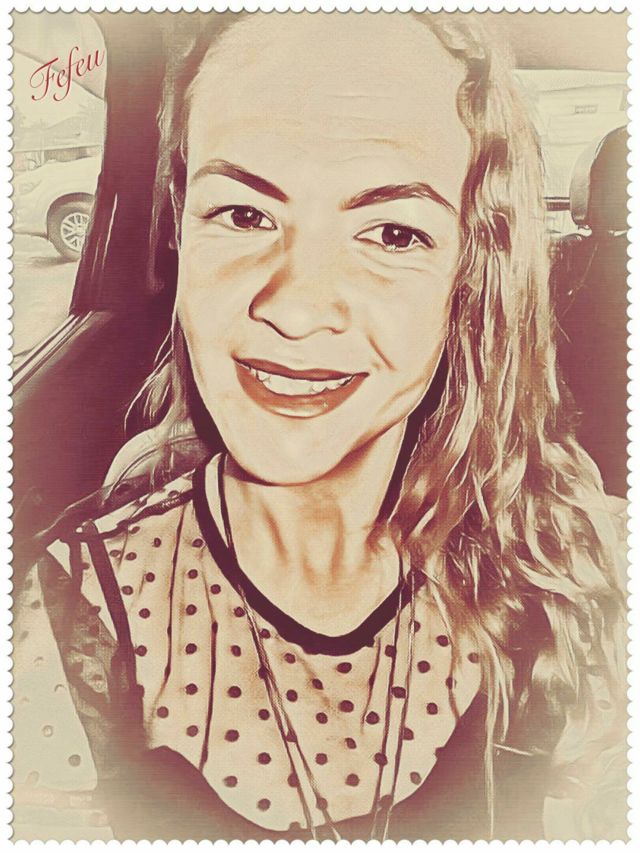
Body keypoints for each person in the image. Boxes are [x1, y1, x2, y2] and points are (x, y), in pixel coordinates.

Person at [12, 11, 628, 842]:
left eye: (393, 232)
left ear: (468, 276)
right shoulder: (73, 609)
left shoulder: (571, 569)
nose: (296, 307)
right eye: (243, 215)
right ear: (181, 231)